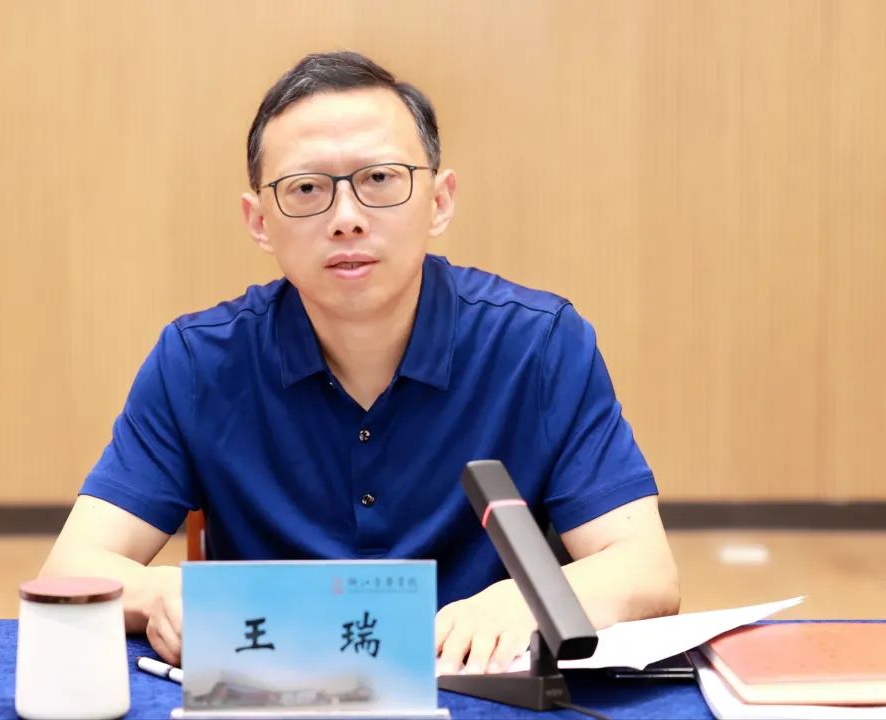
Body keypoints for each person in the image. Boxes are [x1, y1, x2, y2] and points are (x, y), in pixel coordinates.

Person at [40, 50, 680, 676]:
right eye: (306, 188)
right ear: (258, 221)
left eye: (379, 179)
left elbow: (646, 570)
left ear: (440, 201)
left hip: (483, 688)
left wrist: (523, 599)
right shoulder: (198, 363)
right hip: (280, 691)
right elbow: (71, 568)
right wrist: (163, 592)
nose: (346, 219)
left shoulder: (540, 347)